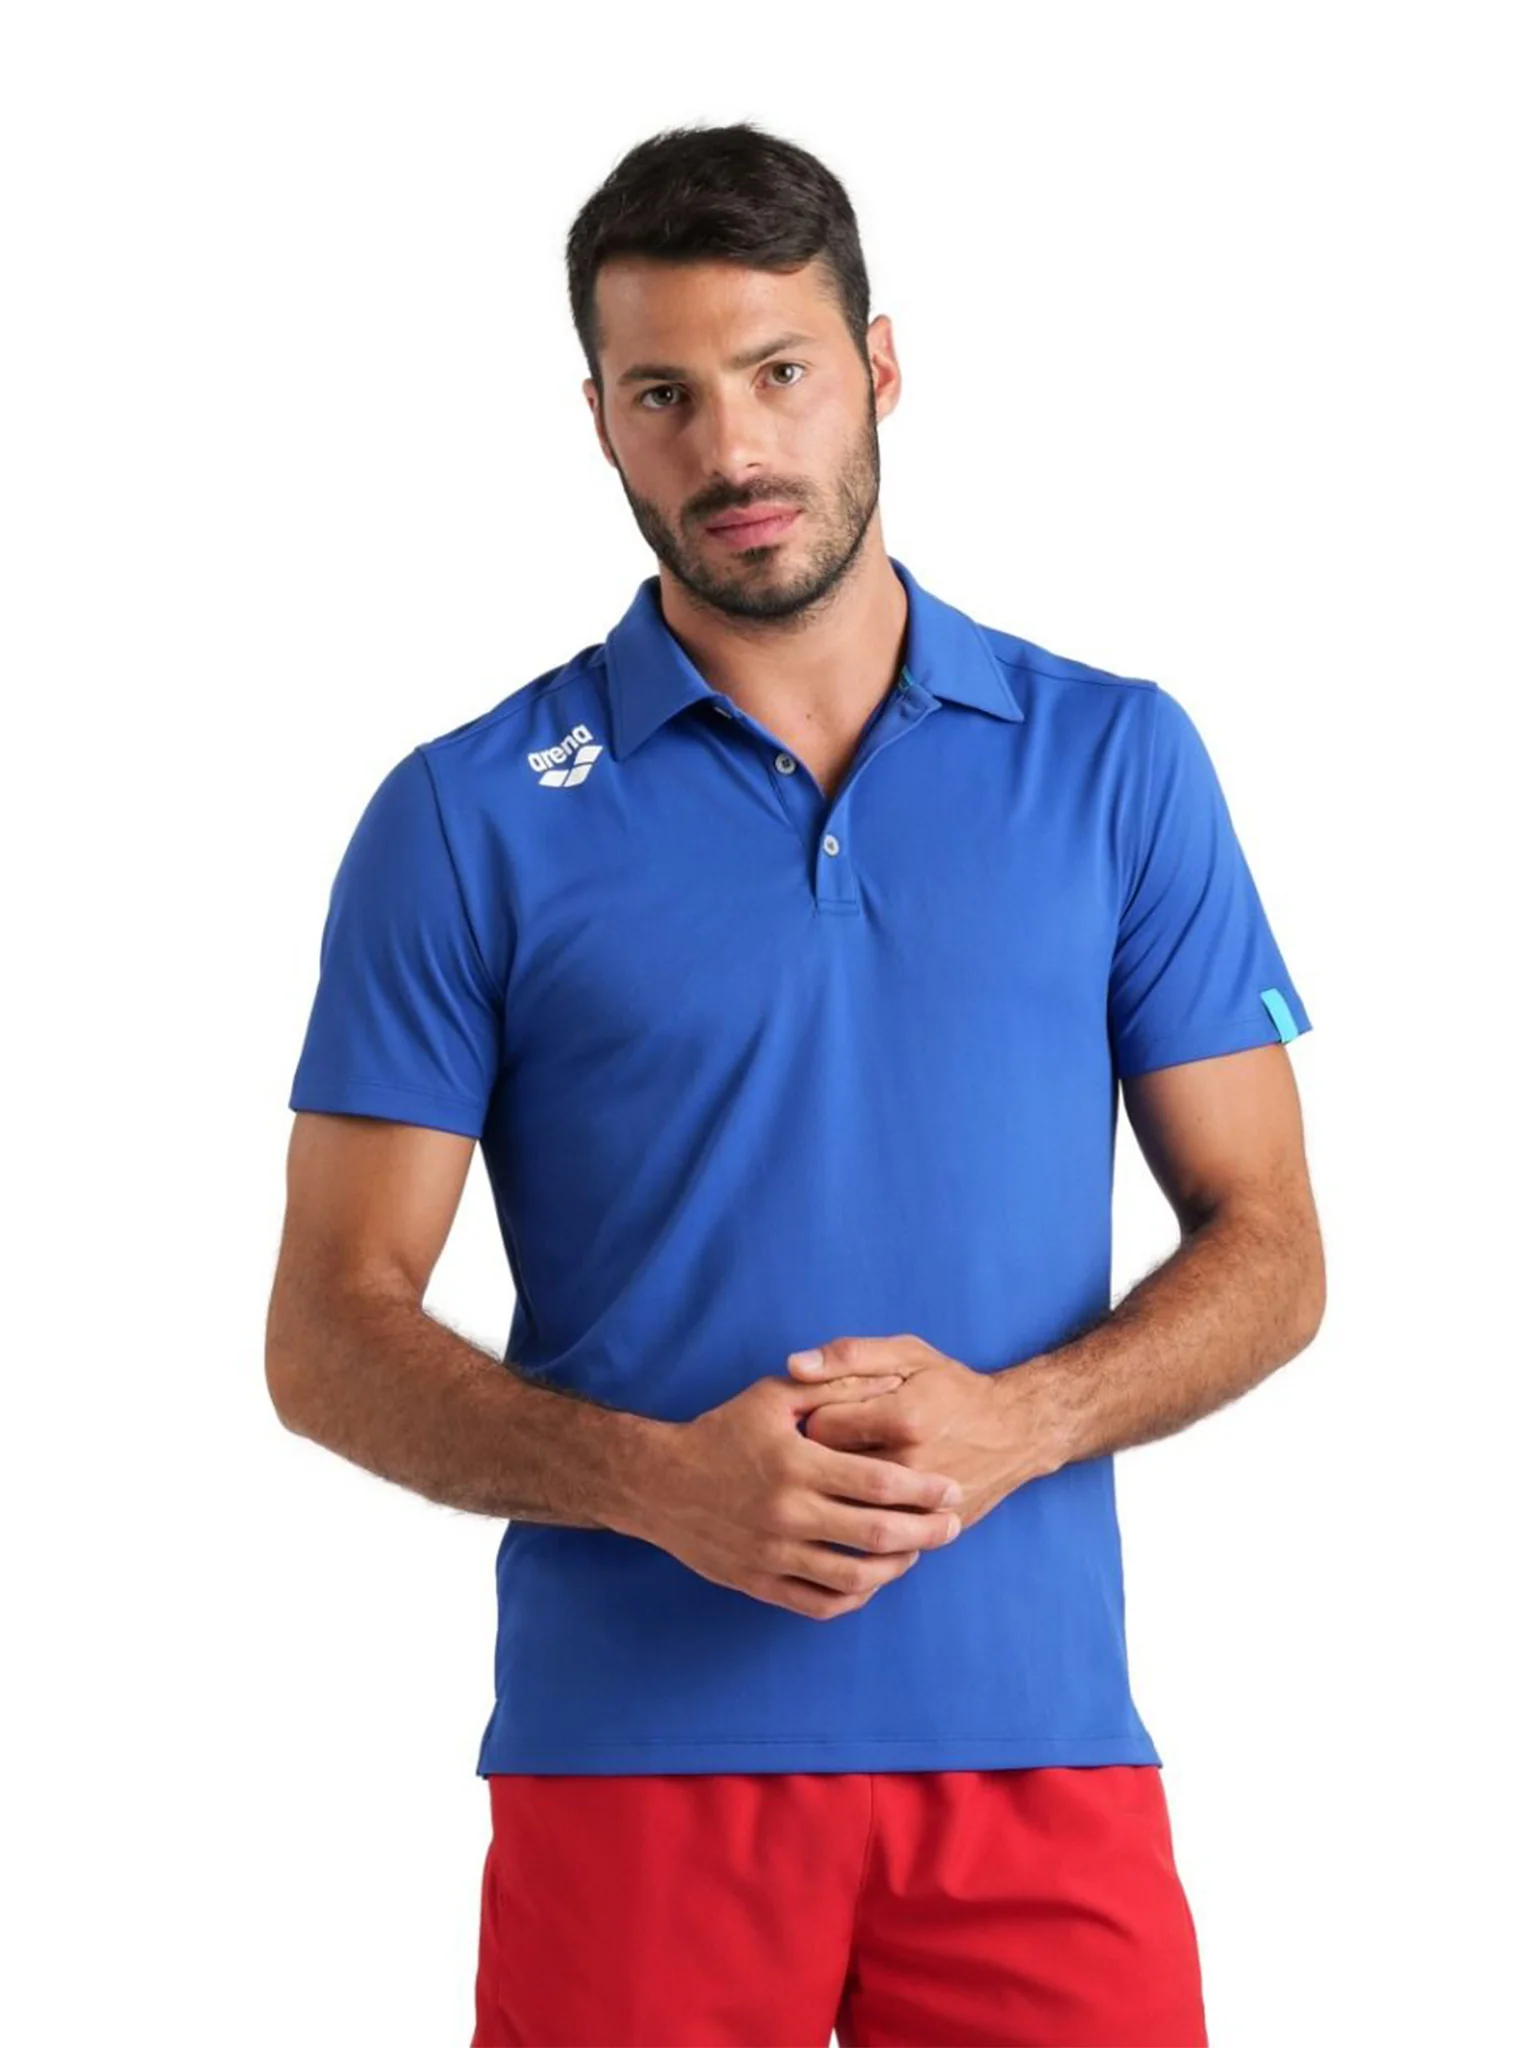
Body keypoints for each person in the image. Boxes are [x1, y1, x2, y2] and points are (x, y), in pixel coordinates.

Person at [267, 119, 1324, 2048]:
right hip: (630, 1767)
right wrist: (654, 1484)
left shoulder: (1116, 762)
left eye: (780, 372)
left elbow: (1273, 1245)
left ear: (879, 367)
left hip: (1038, 1751)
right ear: (601, 421)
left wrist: (1020, 1424)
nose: (734, 451)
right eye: (665, 394)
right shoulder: (466, 816)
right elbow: (327, 1333)